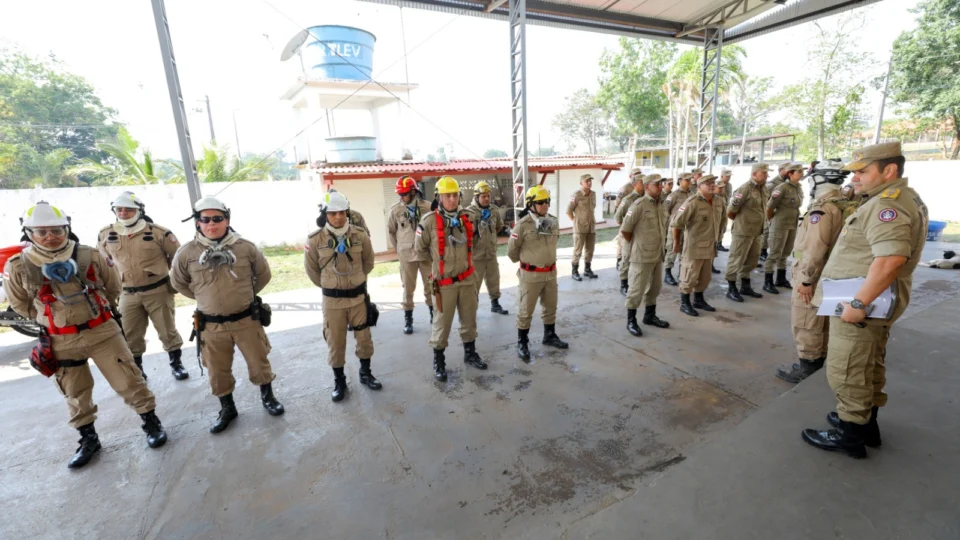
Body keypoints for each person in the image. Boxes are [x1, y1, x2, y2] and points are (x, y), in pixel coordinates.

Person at [3, 202, 167, 468]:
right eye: (41, 232)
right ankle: (88, 439)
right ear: (28, 233)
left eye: (56, 230)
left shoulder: (88, 255)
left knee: (129, 380)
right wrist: (52, 320)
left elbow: (113, 287)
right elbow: (20, 304)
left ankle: (151, 423)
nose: (49, 237)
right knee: (74, 391)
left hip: (102, 332)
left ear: (67, 229)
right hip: (60, 339)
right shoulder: (19, 265)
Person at [802, 141, 928, 459]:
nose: (854, 178)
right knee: (868, 364)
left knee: (848, 368)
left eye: (862, 171)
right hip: (872, 299)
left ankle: (850, 434)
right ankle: (865, 422)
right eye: (854, 172)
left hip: (863, 304)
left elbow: (890, 260)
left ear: (889, 170)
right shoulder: (891, 199)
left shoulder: (890, 205)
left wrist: (858, 305)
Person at [170, 197, 284, 434]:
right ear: (197, 223)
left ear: (227, 220)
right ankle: (227, 408)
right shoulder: (186, 253)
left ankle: (268, 398)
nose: (212, 224)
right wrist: (205, 298)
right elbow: (179, 283)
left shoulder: (245, 248)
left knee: (259, 362)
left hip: (246, 320)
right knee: (217, 370)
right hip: (211, 326)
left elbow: (263, 275)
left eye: (217, 218)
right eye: (205, 219)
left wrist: (242, 296)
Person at [775, 160, 855, 384]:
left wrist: (806, 280)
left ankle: (808, 366)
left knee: (805, 320)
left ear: (820, 180)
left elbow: (814, 249)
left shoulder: (822, 210)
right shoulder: (844, 204)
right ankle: (819, 362)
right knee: (822, 321)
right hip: (831, 273)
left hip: (814, 275)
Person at [97, 192, 188, 381]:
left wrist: (173, 281)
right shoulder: (105, 234)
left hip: (157, 290)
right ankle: (137, 370)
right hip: (127, 294)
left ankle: (176, 364)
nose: (123, 213)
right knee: (130, 334)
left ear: (139, 211)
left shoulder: (158, 232)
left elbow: (178, 259)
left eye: (129, 209)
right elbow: (103, 263)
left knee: (167, 330)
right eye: (119, 209)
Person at [305, 192, 379, 402]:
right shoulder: (314, 240)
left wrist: (355, 280)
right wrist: (332, 286)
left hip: (357, 299)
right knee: (335, 343)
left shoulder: (360, 235)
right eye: (333, 213)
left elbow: (369, 262)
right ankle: (339, 381)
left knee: (364, 340)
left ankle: (366, 374)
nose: (338, 217)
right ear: (325, 214)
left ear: (347, 212)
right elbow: (312, 271)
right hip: (333, 302)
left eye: (342, 212)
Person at [416, 176, 486, 381]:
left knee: (469, 319)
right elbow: (420, 250)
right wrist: (440, 264)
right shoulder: (428, 221)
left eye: (455, 195)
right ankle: (439, 361)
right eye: (447, 196)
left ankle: (470, 353)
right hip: (444, 283)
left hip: (466, 279)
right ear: (438, 197)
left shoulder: (468, 218)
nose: (452, 200)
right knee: (441, 323)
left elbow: (477, 241)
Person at [508, 186, 569, 361]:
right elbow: (512, 251)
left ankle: (549, 336)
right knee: (525, 311)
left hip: (550, 274)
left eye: (547, 202)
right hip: (531, 276)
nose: (545, 205)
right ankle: (522, 342)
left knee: (551, 307)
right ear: (530, 204)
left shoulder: (553, 221)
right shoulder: (522, 225)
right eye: (540, 202)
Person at [620, 174, 670, 336]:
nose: (661, 187)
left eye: (661, 184)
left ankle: (649, 316)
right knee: (636, 289)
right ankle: (631, 320)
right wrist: (639, 245)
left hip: (658, 254)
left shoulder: (662, 204)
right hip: (641, 256)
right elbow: (626, 231)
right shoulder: (638, 205)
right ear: (647, 186)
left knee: (655, 288)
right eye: (657, 184)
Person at [387, 176, 434, 335]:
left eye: (404, 194)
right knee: (408, 288)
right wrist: (400, 249)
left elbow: (434, 229)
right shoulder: (396, 210)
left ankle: (434, 315)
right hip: (407, 256)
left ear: (414, 192)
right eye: (399, 194)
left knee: (431, 287)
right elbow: (392, 232)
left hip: (425, 255)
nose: (401, 197)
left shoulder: (427, 207)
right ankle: (408, 319)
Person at [671, 175, 723, 316]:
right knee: (689, 276)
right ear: (699, 187)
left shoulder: (718, 200)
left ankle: (698, 300)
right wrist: (676, 242)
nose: (712, 185)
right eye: (708, 183)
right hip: (694, 247)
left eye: (713, 183)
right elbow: (676, 223)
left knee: (705, 277)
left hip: (710, 246)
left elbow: (722, 221)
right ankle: (685, 303)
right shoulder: (692, 202)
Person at [725, 163, 770, 301]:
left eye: (767, 173)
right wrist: (742, 223)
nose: (767, 175)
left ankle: (745, 286)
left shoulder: (764, 189)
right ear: (754, 174)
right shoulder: (744, 189)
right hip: (743, 231)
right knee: (736, 259)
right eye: (764, 173)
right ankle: (731, 288)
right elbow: (731, 211)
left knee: (752, 260)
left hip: (757, 231)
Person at [467, 180, 508, 315]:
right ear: (476, 197)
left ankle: (495, 304)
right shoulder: (469, 212)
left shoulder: (494, 210)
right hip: (476, 255)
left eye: (488, 196)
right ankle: (472, 309)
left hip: (490, 253)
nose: (486, 199)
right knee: (474, 284)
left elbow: (498, 226)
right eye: (483, 196)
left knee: (494, 279)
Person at [763, 163, 805, 293]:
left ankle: (780, 278)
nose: (801, 174)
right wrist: (772, 221)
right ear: (790, 174)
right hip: (779, 224)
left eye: (802, 171)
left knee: (786, 252)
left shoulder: (798, 187)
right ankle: (768, 281)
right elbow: (769, 207)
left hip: (792, 224)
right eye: (798, 172)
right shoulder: (782, 188)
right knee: (775, 252)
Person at [614, 170, 646, 296]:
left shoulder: (646, 198)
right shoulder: (628, 199)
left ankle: (637, 282)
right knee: (626, 258)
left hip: (642, 234)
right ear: (635, 184)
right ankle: (623, 284)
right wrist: (626, 229)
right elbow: (618, 217)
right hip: (628, 234)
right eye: (642, 182)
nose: (645, 184)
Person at [662, 173, 694, 286]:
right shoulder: (673, 195)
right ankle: (667, 273)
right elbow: (665, 210)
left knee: (685, 251)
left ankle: (682, 273)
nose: (689, 181)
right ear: (680, 181)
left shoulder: (692, 194)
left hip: (688, 227)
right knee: (672, 249)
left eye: (690, 179)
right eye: (687, 180)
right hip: (675, 226)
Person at [759, 161, 793, 262]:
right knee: (766, 231)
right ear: (781, 170)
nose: (789, 172)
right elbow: (765, 198)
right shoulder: (773, 183)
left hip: (782, 211)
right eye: (787, 169)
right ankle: (763, 251)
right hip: (771, 210)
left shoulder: (788, 181)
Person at [567, 173, 598, 281]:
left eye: (590, 180)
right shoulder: (577, 195)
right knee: (578, 251)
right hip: (580, 228)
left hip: (591, 227)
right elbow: (568, 211)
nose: (589, 183)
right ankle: (574, 272)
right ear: (581, 183)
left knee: (590, 250)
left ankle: (587, 270)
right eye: (587, 181)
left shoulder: (593, 194)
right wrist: (576, 222)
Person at [613, 177, 637, 271]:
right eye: (635, 175)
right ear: (631, 176)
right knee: (622, 241)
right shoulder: (626, 188)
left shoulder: (641, 189)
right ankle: (619, 260)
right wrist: (622, 218)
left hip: (634, 220)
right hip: (625, 217)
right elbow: (618, 202)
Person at [715, 169, 733, 252]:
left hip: (725, 207)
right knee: (717, 226)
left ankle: (719, 243)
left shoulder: (729, 185)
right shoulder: (717, 184)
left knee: (723, 226)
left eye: (729, 176)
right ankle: (715, 243)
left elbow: (729, 197)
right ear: (722, 176)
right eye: (727, 176)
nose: (729, 178)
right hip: (717, 207)